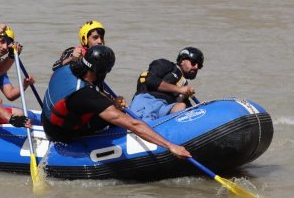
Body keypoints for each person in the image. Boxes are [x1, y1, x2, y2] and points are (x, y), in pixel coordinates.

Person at [41, 45, 191, 159]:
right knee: (116, 116)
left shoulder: (69, 67)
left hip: (48, 117)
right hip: (61, 134)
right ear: (101, 71)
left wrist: (111, 102)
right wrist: (170, 146)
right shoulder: (85, 95)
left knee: (112, 107)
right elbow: (134, 125)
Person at [129, 47, 204, 123]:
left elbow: (190, 111)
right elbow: (149, 80)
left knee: (182, 106)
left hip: (164, 109)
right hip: (148, 102)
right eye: (193, 63)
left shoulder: (184, 86)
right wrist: (180, 90)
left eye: (199, 65)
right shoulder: (165, 65)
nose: (196, 67)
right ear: (182, 61)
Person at [0, 25, 35, 101]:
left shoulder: (1, 66)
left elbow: (10, 94)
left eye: (8, 44)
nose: (5, 47)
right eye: (2, 41)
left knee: (19, 113)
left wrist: (24, 85)